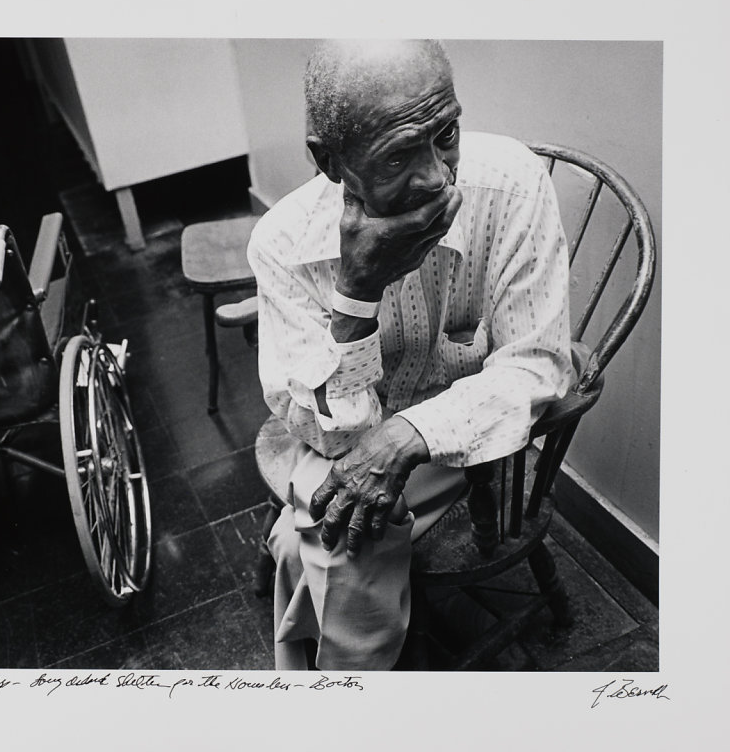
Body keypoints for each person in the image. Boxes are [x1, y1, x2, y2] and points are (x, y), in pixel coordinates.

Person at [247, 40, 576, 670]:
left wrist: (408, 435)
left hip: (468, 437)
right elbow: (324, 431)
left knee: (315, 539)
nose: (436, 175)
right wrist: (357, 293)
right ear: (329, 161)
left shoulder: (510, 183)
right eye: (399, 154)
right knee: (329, 535)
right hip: (339, 441)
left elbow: (537, 362)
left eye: (446, 133)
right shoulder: (283, 244)